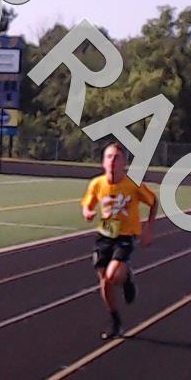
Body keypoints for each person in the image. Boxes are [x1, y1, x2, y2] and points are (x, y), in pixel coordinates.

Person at [81, 142, 158, 339]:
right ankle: (115, 320)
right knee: (105, 280)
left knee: (113, 276)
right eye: (109, 157)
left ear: (124, 163)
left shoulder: (132, 185)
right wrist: (88, 212)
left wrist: (149, 229)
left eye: (117, 158)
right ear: (103, 162)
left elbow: (153, 201)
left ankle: (126, 277)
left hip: (125, 235)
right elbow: (88, 204)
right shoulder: (97, 184)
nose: (112, 161)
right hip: (105, 235)